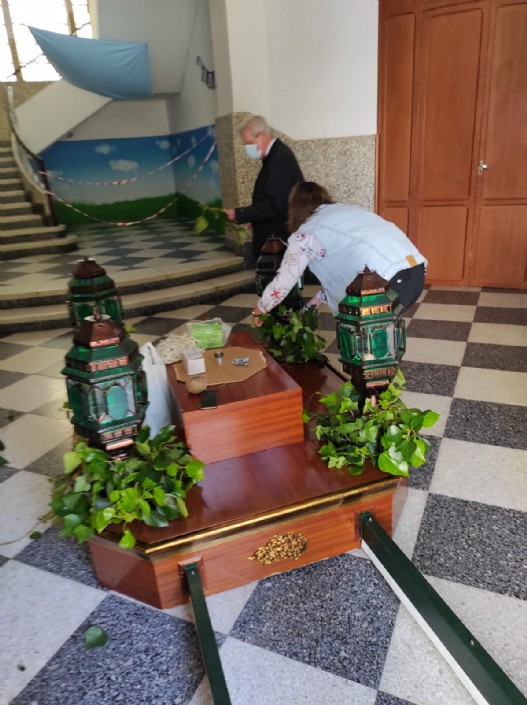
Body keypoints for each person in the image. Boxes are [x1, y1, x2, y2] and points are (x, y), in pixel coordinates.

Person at [251, 181, 427, 326]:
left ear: (294, 209)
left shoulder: (306, 234)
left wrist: (261, 309)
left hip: (387, 284)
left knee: (365, 350)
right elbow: (339, 267)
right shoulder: (348, 211)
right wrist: (315, 302)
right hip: (415, 274)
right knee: (379, 345)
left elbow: (285, 279)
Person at [224, 115, 304, 264]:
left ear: (262, 136)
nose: (247, 148)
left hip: (279, 237)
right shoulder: (274, 156)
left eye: (249, 143)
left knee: (276, 282)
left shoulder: (279, 159)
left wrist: (240, 214)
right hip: (275, 232)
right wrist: (254, 217)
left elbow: (274, 204)